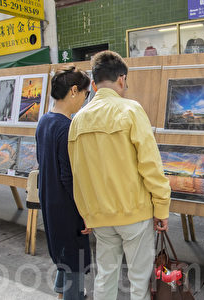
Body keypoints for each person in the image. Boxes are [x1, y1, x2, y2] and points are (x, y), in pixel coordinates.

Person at [68, 50, 171, 300]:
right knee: (139, 280)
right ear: (122, 80)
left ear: (93, 84)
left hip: (100, 215)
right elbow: (150, 165)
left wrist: (86, 214)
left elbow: (77, 174)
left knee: (105, 276)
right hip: (134, 212)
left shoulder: (78, 120)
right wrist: (162, 207)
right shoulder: (131, 110)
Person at [36, 65, 92, 300]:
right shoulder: (66, 127)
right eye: (86, 94)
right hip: (68, 209)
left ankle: (62, 293)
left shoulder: (44, 122)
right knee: (75, 262)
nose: (85, 100)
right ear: (74, 91)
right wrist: (85, 213)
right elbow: (69, 178)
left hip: (50, 202)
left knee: (63, 255)